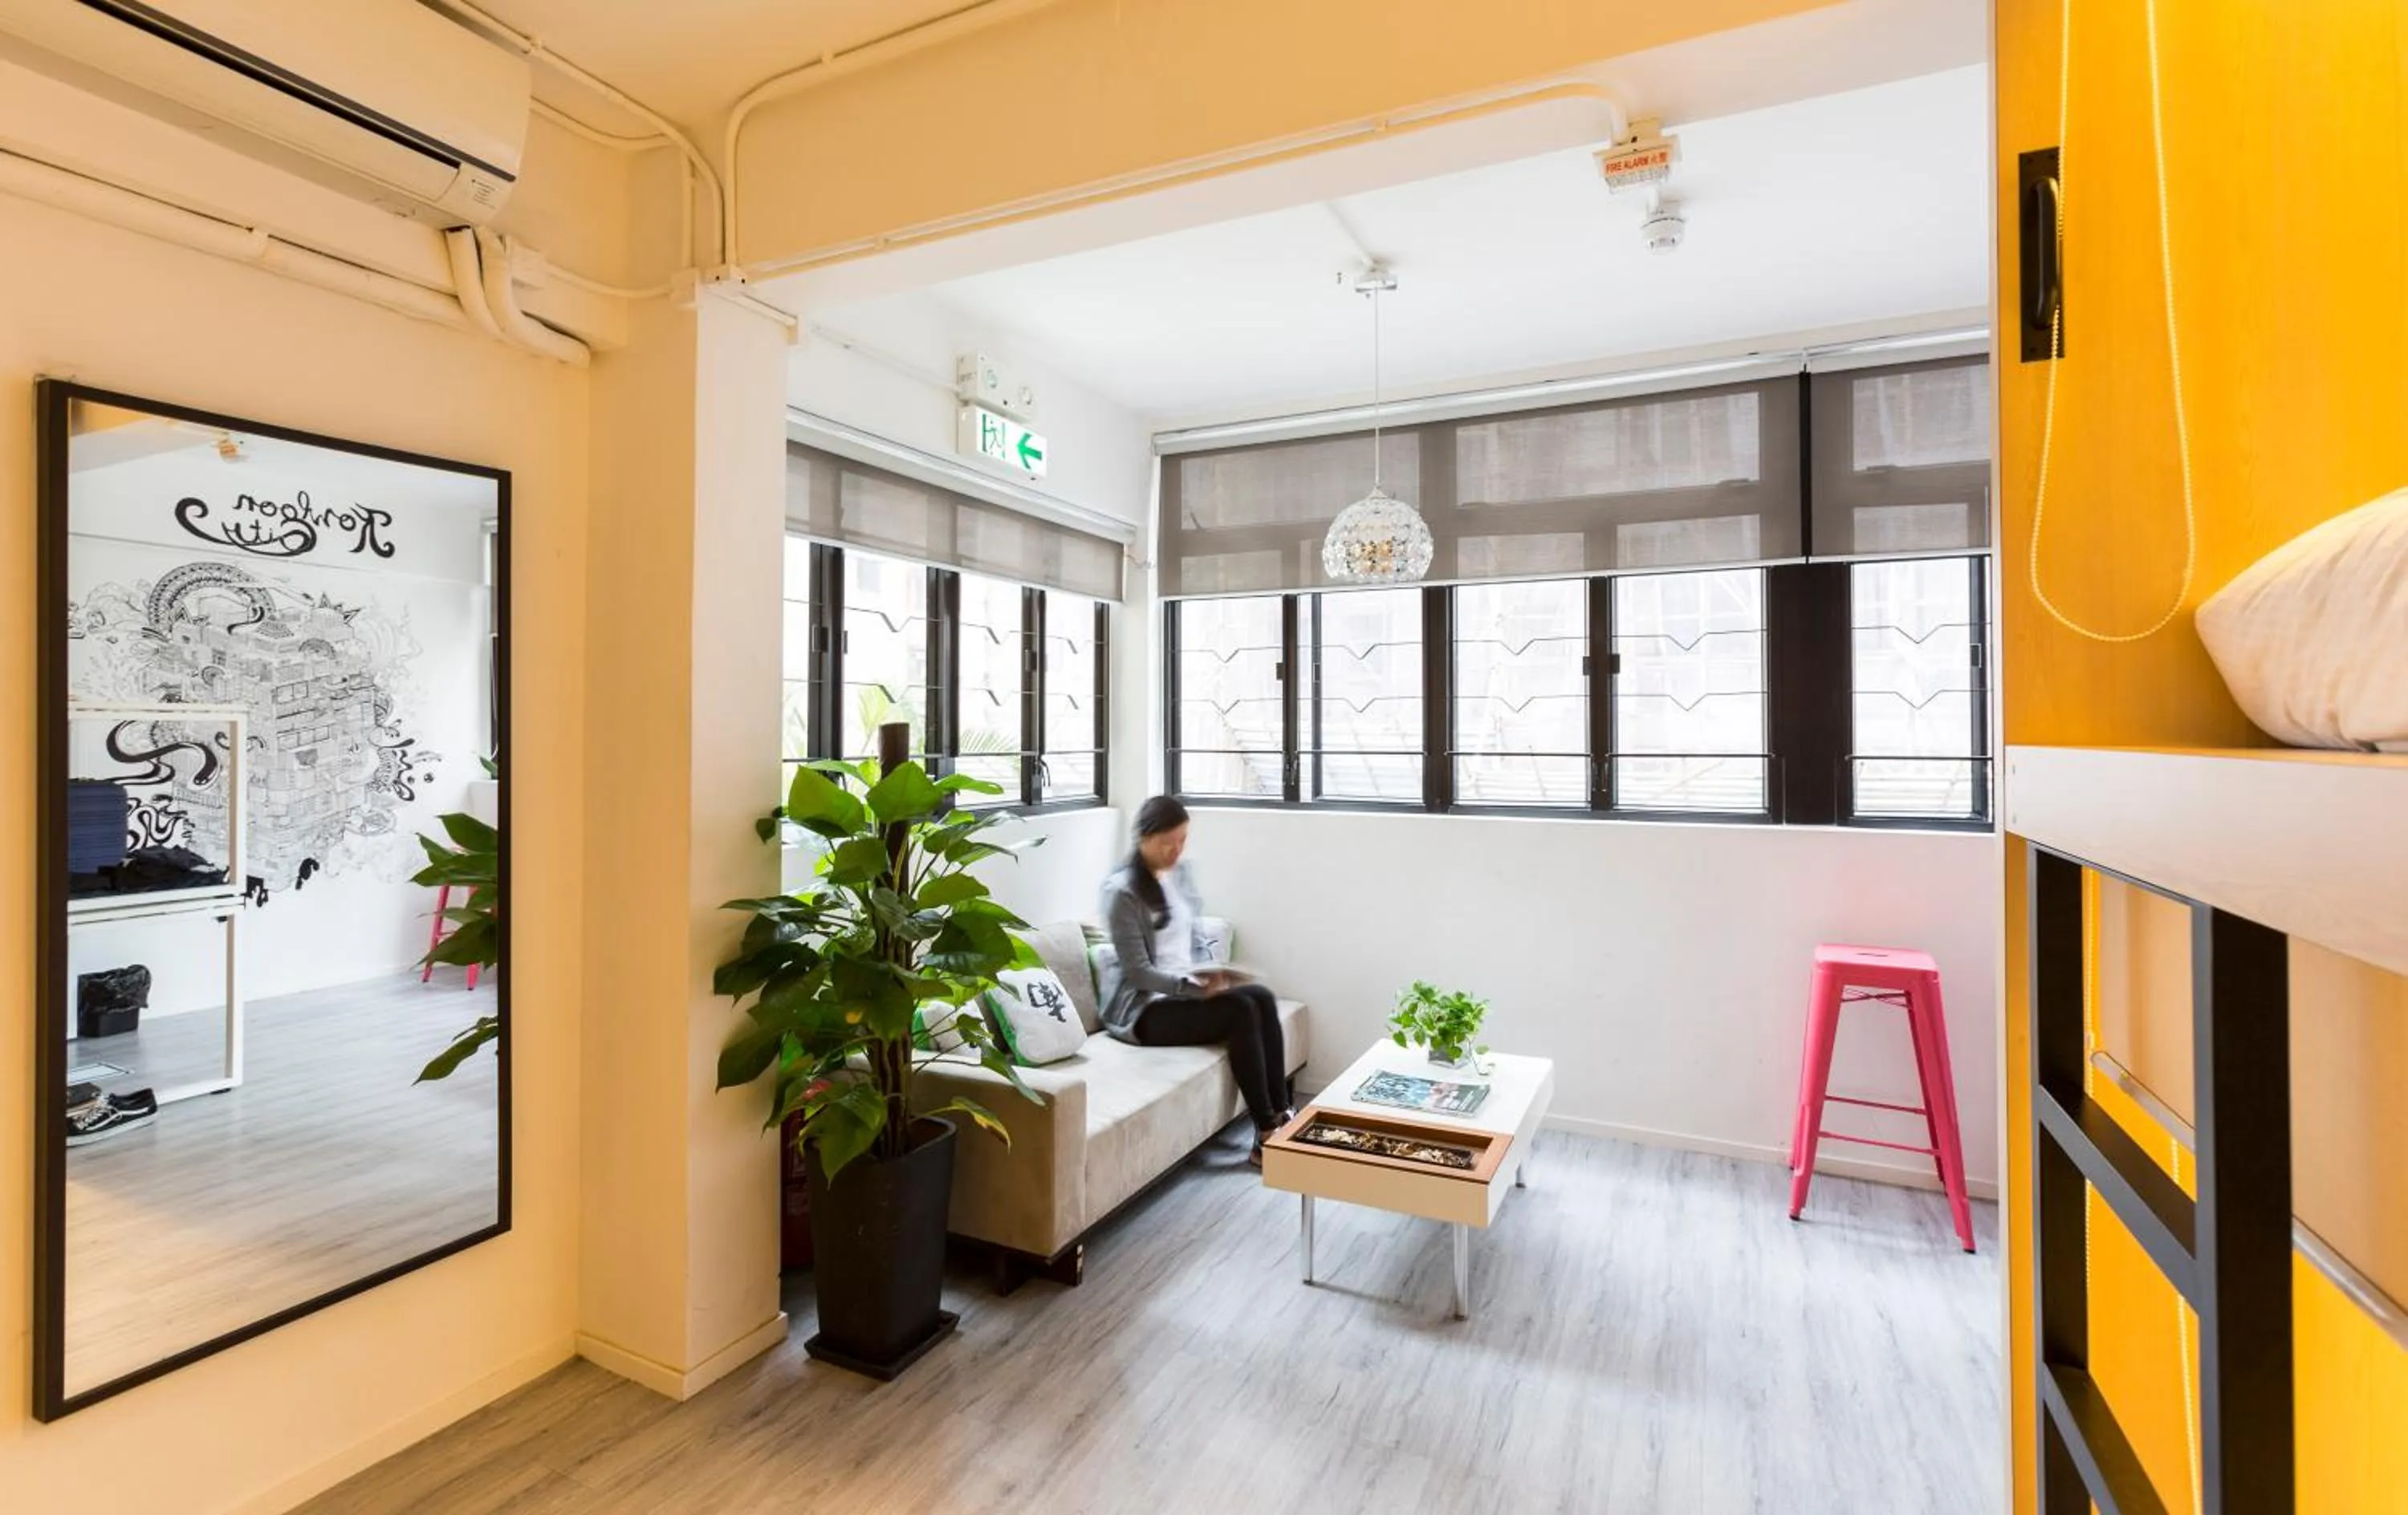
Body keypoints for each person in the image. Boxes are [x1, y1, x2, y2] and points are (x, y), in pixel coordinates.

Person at [1099, 795, 1292, 1165]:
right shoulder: (1121, 892)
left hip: (1185, 992)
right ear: (1144, 838)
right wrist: (1193, 988)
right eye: (1167, 843)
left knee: (1261, 998)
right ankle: (1265, 1132)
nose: (1177, 851)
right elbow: (1138, 972)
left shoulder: (1180, 874)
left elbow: (1191, 937)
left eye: (1182, 840)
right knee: (1240, 1011)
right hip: (1145, 1009)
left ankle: (1283, 1115)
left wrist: (1212, 970)